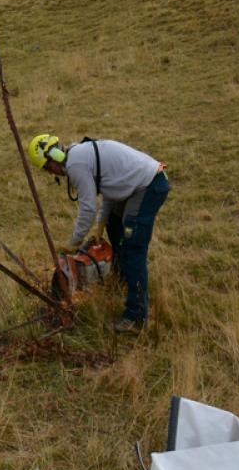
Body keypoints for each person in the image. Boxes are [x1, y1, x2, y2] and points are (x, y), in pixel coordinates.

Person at [29, 134, 170, 333]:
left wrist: (75, 242)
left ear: (55, 155)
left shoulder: (76, 164)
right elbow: (110, 191)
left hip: (149, 186)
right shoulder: (80, 153)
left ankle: (136, 317)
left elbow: (88, 208)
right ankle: (122, 280)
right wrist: (101, 225)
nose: (51, 172)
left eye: (47, 166)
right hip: (142, 184)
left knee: (132, 249)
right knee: (114, 225)